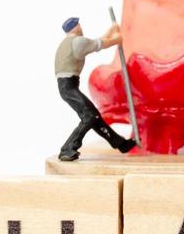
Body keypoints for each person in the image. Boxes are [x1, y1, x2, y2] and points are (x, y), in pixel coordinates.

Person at [56, 17, 137, 161]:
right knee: (89, 117)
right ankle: (67, 149)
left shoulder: (69, 42)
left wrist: (111, 31)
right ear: (76, 27)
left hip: (68, 86)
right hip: (68, 86)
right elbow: (101, 44)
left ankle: (121, 144)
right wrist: (117, 39)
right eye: (79, 25)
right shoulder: (78, 42)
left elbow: (97, 42)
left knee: (94, 117)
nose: (81, 27)